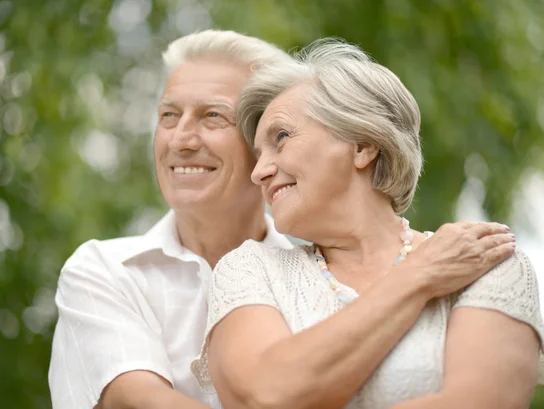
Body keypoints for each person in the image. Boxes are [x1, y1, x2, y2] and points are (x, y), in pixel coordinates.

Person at [49, 30, 520, 409]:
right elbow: (155, 402)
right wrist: (419, 275)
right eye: (168, 116)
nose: (181, 138)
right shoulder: (113, 271)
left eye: (214, 117)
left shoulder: (478, 258)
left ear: (362, 144)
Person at [191, 39, 544, 409]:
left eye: (281, 138)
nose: (258, 173)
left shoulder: (486, 264)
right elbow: (264, 396)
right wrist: (418, 277)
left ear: (362, 144)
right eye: (258, 155)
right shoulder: (249, 270)